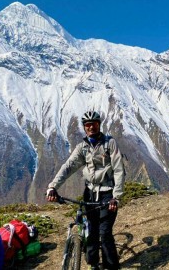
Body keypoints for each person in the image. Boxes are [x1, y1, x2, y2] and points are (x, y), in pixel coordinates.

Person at [46, 110, 125, 270]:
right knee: (92, 230)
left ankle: (111, 266)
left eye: (94, 124)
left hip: (108, 194)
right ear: (84, 127)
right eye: (88, 125)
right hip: (89, 193)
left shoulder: (109, 143)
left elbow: (119, 170)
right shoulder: (82, 147)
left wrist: (116, 197)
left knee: (105, 232)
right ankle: (93, 263)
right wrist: (53, 186)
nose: (91, 127)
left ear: (99, 125)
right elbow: (68, 167)